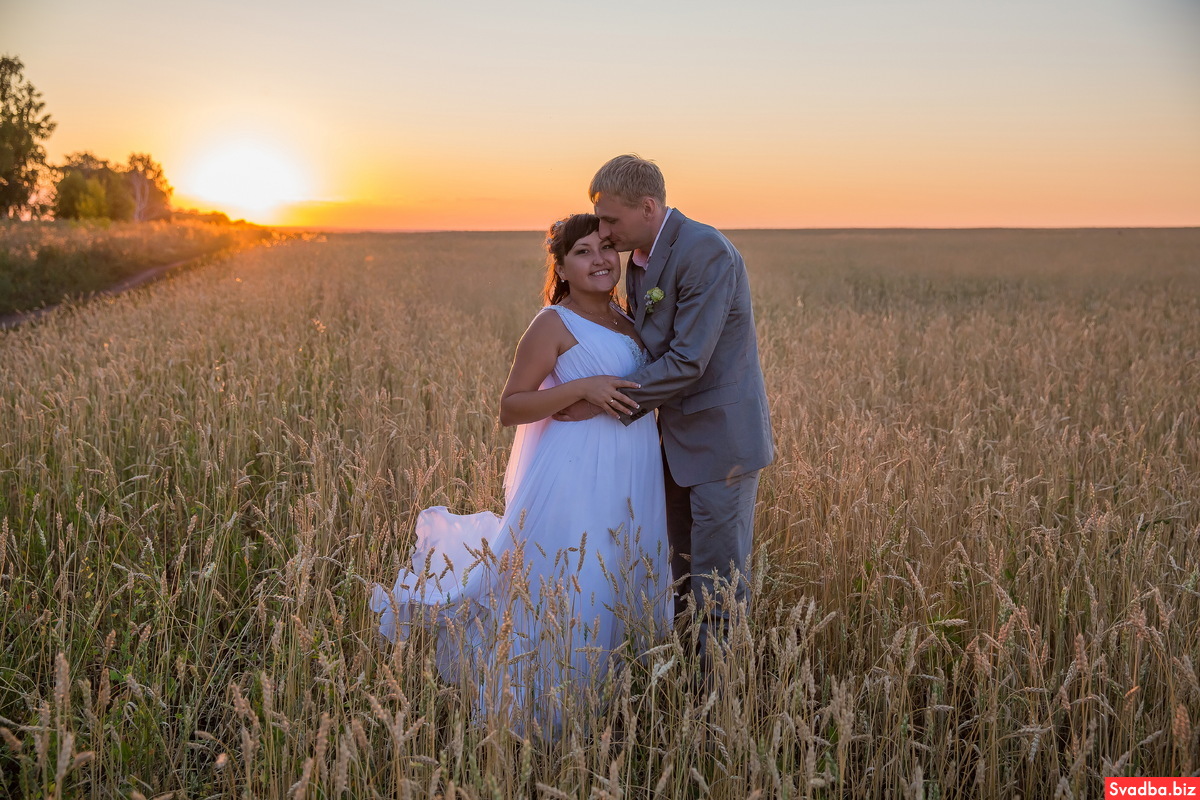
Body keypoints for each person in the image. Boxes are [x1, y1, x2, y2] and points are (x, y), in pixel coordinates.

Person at [370, 213, 671, 737]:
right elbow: (511, 406)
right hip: (578, 471)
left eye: (605, 247)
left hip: (633, 465)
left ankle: (618, 710)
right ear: (562, 266)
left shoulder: (628, 319)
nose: (599, 259)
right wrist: (583, 388)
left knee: (627, 570)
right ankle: (551, 718)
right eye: (582, 252)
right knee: (582, 583)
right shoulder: (552, 322)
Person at [557, 155, 773, 664]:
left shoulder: (705, 252)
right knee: (677, 575)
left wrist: (603, 402)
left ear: (648, 206)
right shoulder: (640, 256)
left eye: (611, 220)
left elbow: (687, 360)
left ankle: (717, 706)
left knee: (717, 585)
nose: (604, 232)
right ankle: (680, 687)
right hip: (670, 443)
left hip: (722, 447)